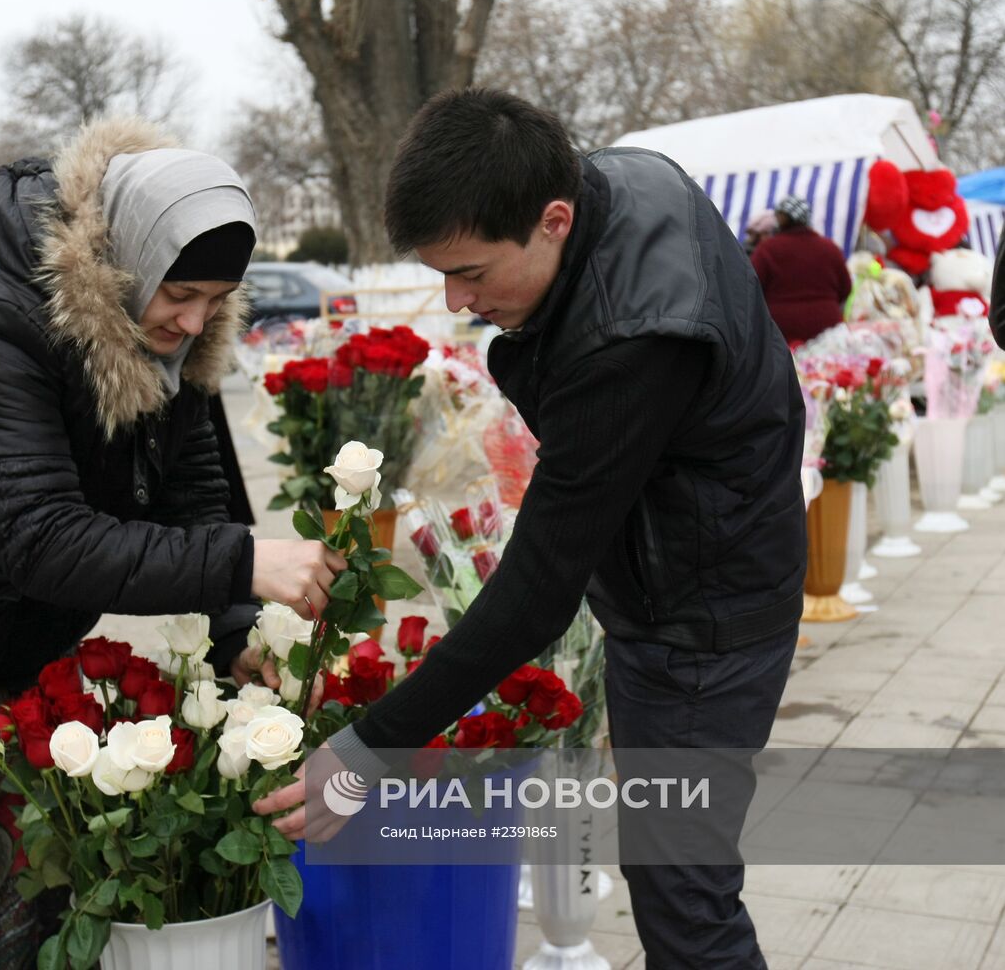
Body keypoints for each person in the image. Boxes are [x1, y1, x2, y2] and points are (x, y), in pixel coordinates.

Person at [256, 89, 806, 969]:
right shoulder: (623, 181)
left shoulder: (632, 341)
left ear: (554, 220)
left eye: (472, 272)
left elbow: (539, 591)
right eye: (441, 273)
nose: (457, 299)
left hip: (701, 621)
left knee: (682, 891)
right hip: (703, 563)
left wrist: (367, 748)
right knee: (673, 872)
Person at [0, 118, 344, 969]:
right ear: (128, 259)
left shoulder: (180, 338)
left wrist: (238, 631)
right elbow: (43, 539)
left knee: (35, 896)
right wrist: (248, 564)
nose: (194, 320)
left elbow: (195, 499)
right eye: (181, 292)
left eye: (216, 300)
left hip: (11, 628)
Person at [750, 195, 852, 344]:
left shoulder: (767, 249)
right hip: (827, 328)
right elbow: (846, 288)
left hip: (781, 329)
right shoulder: (830, 248)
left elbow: (752, 285)